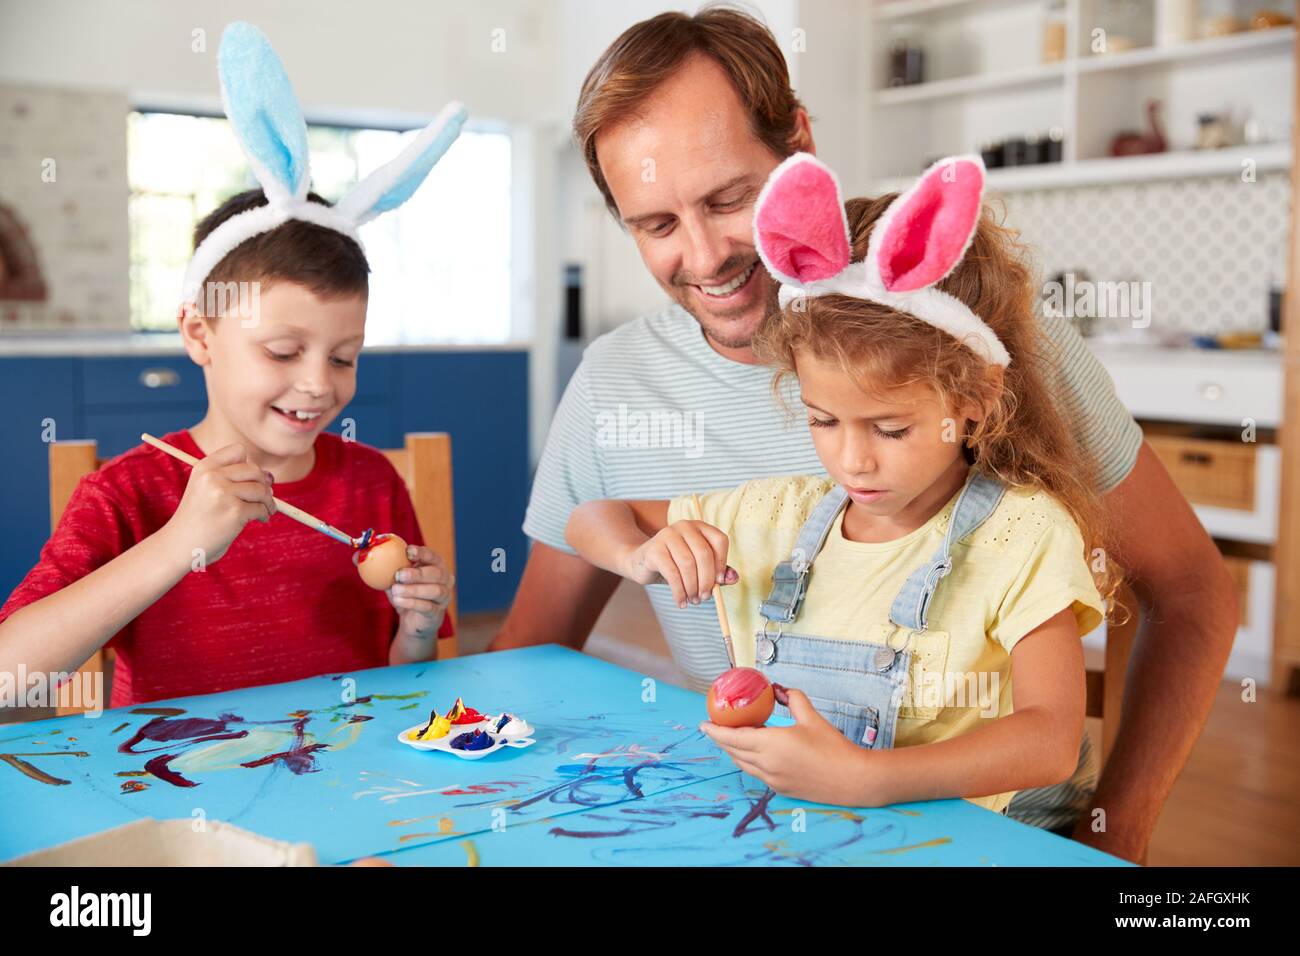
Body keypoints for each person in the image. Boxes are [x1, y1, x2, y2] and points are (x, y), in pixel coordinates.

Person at [494, 7, 1237, 862]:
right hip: (777, 832)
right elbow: (529, 657)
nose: (701, 259)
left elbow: (1190, 593)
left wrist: (1118, 834)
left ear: (800, 147)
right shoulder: (615, 383)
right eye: (656, 225)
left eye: (728, 199)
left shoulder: (972, 339)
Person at [566, 152, 1108, 813]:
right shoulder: (784, 516)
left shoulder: (1021, 533)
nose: (853, 461)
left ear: (975, 397)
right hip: (788, 828)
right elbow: (595, 515)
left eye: (889, 429)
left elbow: (1049, 740)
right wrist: (640, 553)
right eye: (824, 420)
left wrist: (870, 779)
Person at [0, 22, 461, 706]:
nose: (318, 384)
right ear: (199, 332)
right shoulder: (129, 496)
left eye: (344, 357)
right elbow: (11, 676)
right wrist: (178, 542)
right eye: (282, 351)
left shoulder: (372, 483)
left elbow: (403, 686)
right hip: (181, 796)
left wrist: (417, 630)